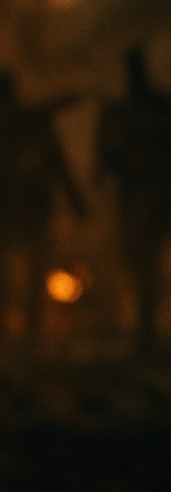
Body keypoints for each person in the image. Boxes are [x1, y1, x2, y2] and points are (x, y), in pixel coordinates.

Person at [0, 67, 86, 337]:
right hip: (16, 210)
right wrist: (76, 203)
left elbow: (56, 164)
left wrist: (76, 202)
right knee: (13, 270)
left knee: (19, 269)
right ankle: (12, 326)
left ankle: (16, 326)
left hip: (22, 209)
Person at [96, 47, 171, 353]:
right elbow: (107, 157)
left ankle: (146, 329)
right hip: (138, 195)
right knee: (141, 263)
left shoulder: (150, 109)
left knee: (144, 262)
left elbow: (107, 157)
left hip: (151, 195)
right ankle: (145, 327)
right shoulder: (131, 109)